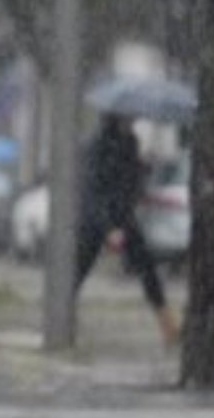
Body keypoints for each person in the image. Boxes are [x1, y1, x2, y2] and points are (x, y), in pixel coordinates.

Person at [75, 112, 179, 347]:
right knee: (78, 269)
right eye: (128, 116)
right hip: (97, 219)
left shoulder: (130, 142)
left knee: (147, 267)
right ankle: (60, 323)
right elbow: (93, 190)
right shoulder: (98, 145)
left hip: (123, 217)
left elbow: (129, 185)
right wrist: (108, 228)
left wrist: (143, 170)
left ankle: (167, 324)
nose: (132, 120)